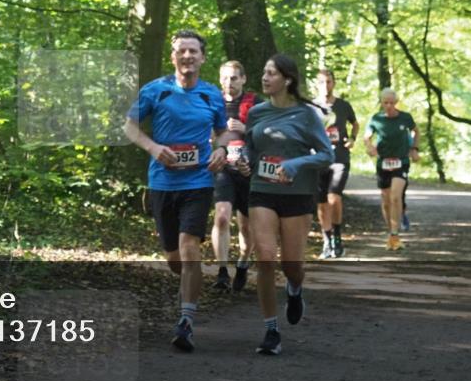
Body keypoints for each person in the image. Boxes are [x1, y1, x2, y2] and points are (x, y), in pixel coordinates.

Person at [125, 30, 228, 352]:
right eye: (182, 51)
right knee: (174, 258)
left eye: (193, 51)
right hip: (162, 183)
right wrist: (153, 147)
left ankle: (186, 319)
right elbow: (129, 126)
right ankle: (187, 287)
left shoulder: (211, 94)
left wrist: (221, 150)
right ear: (173, 57)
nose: (187, 57)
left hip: (198, 182)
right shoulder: (156, 90)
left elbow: (223, 132)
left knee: (189, 246)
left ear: (202, 57)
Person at [236, 54, 333, 355]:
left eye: (271, 73)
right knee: (265, 257)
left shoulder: (306, 115)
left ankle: (294, 289)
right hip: (262, 191)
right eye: (264, 72)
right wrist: (244, 163)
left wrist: (295, 164)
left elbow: (326, 155)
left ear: (287, 79)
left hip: (297, 195)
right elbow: (252, 151)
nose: (265, 78)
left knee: (292, 266)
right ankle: (271, 330)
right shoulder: (256, 112)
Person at [211, 60, 259, 293]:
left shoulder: (255, 104)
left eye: (234, 78)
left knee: (247, 227)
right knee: (221, 216)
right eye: (225, 78)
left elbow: (267, 135)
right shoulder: (213, 102)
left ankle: (242, 263)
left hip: (248, 171)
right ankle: (221, 271)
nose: (229, 83)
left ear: (243, 79)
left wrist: (245, 127)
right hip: (223, 170)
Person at [364, 88, 420, 251]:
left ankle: (395, 235)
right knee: (386, 200)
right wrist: (370, 147)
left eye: (391, 102)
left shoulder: (405, 118)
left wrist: (414, 149)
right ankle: (391, 233)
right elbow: (367, 136)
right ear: (381, 102)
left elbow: (417, 131)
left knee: (395, 196)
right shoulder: (376, 119)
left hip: (401, 162)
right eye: (385, 102)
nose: (389, 106)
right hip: (383, 163)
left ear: (396, 102)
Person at [314, 69, 359, 258]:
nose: (326, 86)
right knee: (322, 203)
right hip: (317, 159)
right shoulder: (311, 106)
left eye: (329, 82)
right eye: (322, 82)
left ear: (334, 83)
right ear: (317, 84)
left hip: (339, 158)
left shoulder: (343, 105)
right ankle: (326, 240)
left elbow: (355, 124)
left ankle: (337, 237)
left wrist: (353, 139)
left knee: (334, 198)